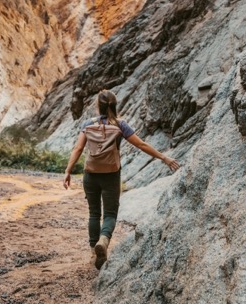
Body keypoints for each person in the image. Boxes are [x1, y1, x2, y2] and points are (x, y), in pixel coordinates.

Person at [63, 89, 180, 269]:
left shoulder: (87, 124)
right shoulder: (120, 125)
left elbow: (78, 149)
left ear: (98, 106)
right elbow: (141, 144)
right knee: (110, 214)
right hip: (111, 175)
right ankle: (104, 239)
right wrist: (164, 157)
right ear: (115, 106)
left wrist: (68, 171)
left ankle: (93, 252)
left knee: (94, 213)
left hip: (90, 175)